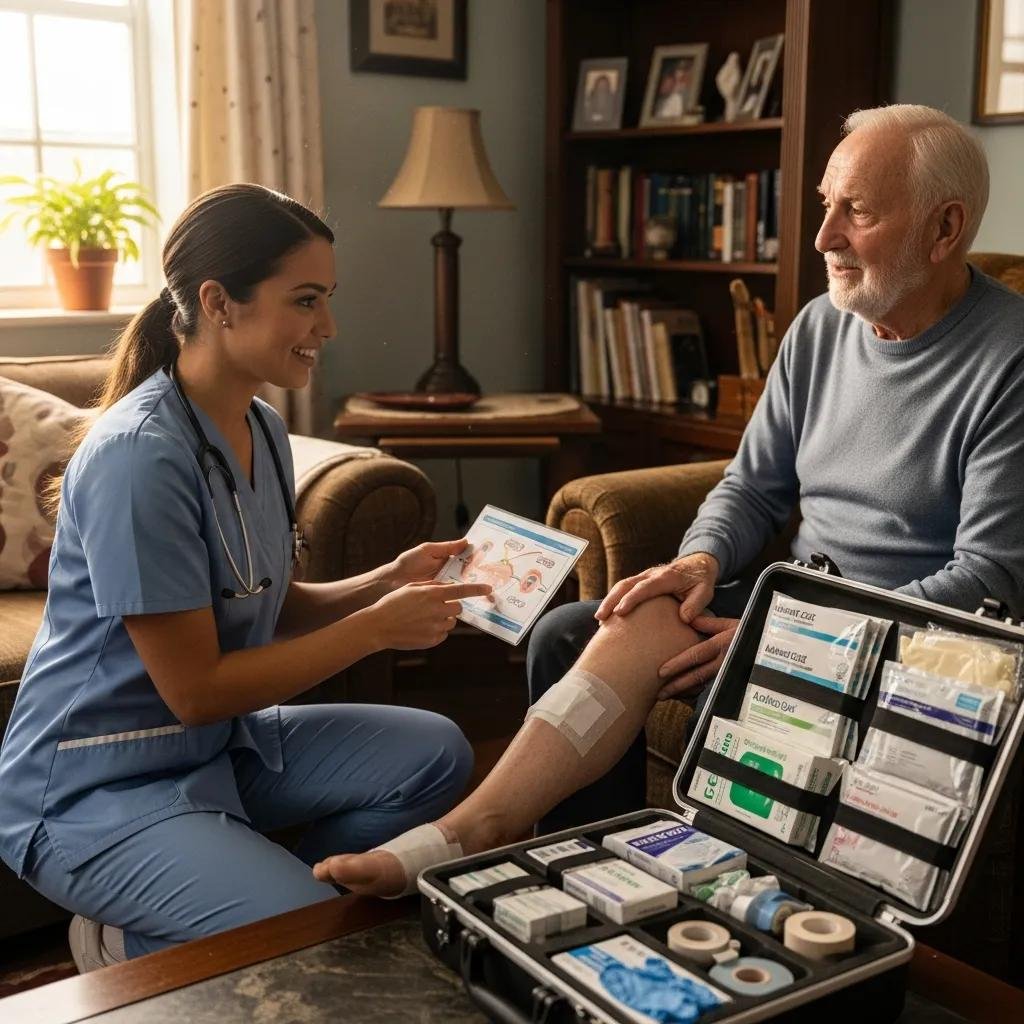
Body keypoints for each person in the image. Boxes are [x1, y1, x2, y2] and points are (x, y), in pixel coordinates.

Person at [315, 104, 1024, 897]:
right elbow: (751, 485)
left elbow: (988, 580)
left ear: (945, 228)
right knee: (570, 632)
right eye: (825, 204)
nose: (822, 237)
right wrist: (701, 557)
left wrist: (789, 633)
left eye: (855, 212)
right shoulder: (822, 329)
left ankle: (476, 837)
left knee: (607, 644)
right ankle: (563, 866)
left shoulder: (1010, 362)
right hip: (794, 609)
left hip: (909, 649)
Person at [0, 184, 491, 970]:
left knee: (436, 753)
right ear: (219, 303)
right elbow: (194, 690)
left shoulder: (260, 424)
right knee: (315, 948)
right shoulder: (139, 457)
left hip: (214, 751)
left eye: (326, 299)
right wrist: (376, 629)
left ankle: (276, 899)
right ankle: (128, 938)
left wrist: (384, 581)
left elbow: (270, 602)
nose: (326, 327)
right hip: (93, 789)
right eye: (304, 301)